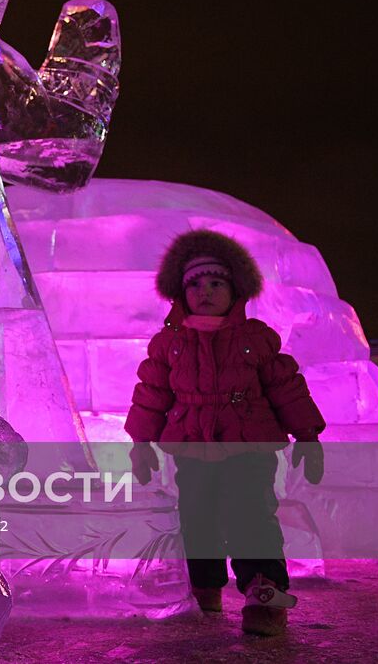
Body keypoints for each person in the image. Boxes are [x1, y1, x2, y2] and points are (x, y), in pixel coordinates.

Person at [125, 229, 325, 637]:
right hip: (192, 449)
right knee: (197, 518)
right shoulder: (170, 344)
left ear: (236, 289)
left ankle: (263, 590)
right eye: (195, 284)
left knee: (251, 516)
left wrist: (307, 434)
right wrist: (140, 443)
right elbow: (151, 394)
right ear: (180, 293)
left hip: (248, 449)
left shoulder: (257, 339)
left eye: (216, 282)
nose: (206, 291)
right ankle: (203, 587)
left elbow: (286, 387)